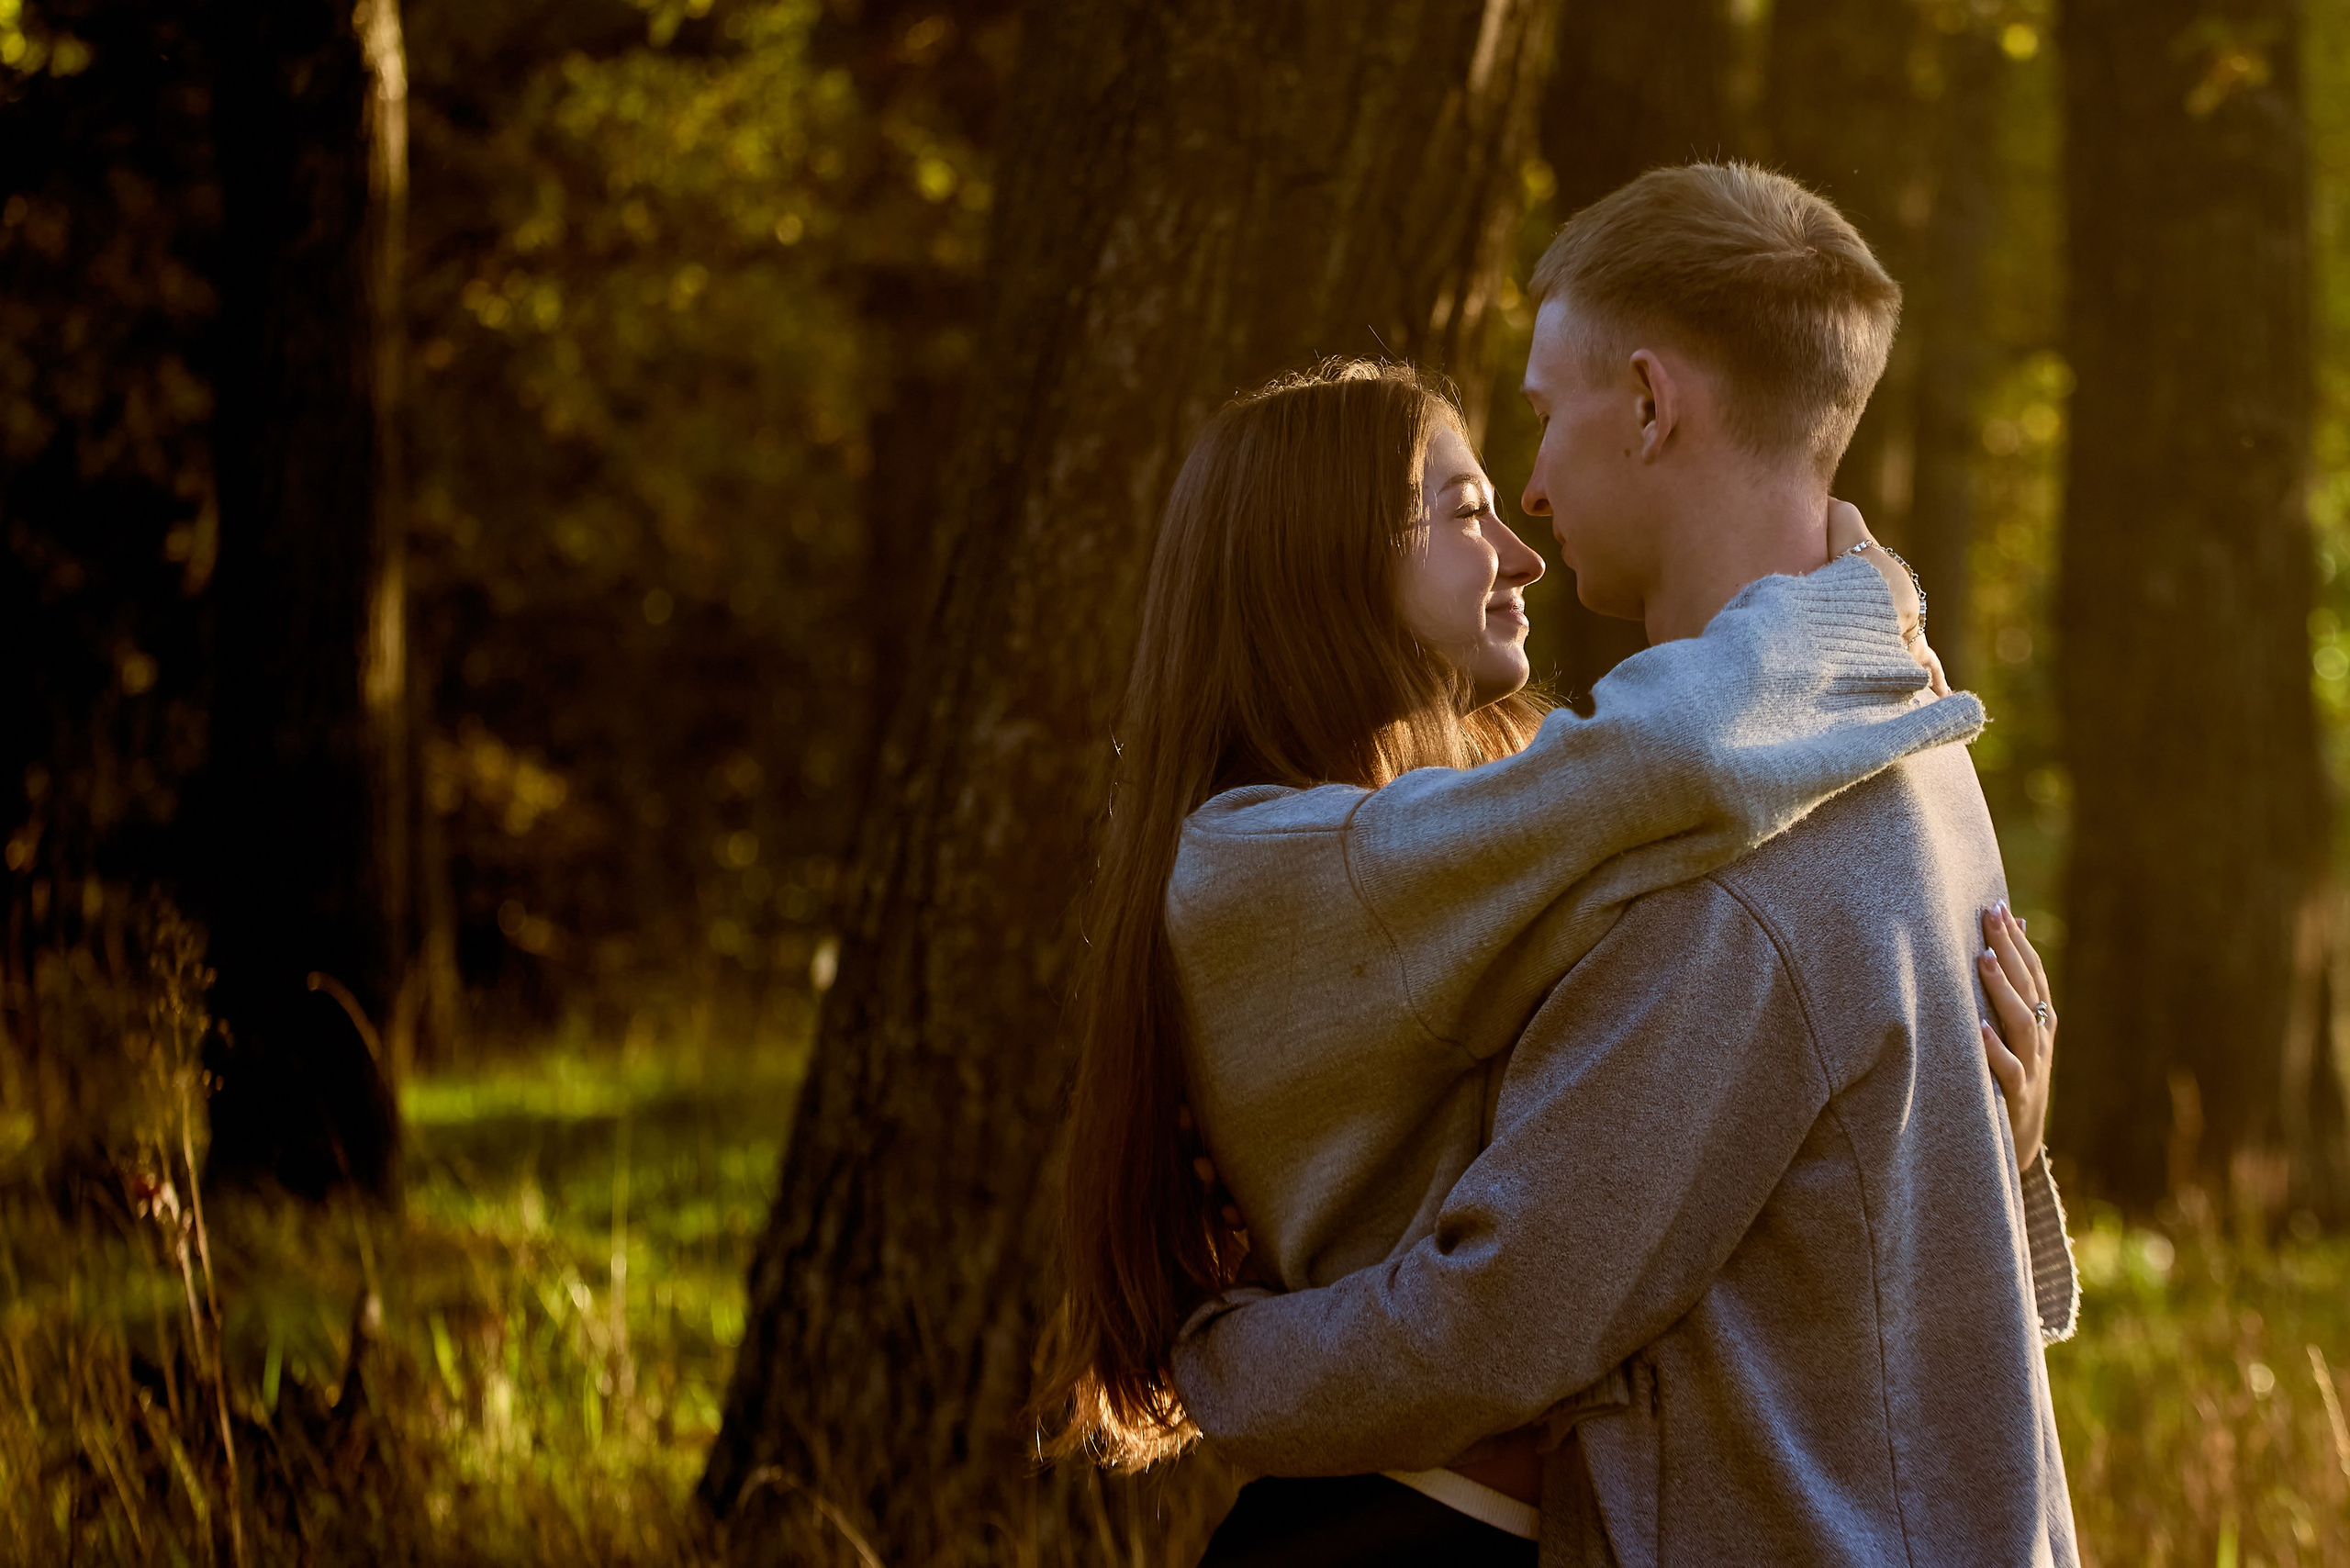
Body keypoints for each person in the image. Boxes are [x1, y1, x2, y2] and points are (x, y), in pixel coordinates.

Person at [1169, 164, 2077, 1564]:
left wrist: (1212, 1364)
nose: (1530, 488)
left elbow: (1505, 1316)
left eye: (1540, 414)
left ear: (1651, 404)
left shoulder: (1732, 869)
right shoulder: (1917, 738)